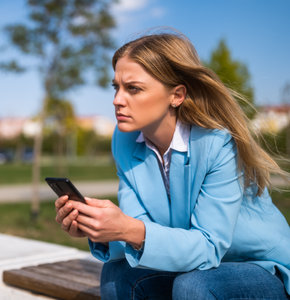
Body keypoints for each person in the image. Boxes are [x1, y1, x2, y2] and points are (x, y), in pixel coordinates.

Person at [55, 30, 290, 299]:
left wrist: (128, 228)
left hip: (260, 269)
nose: (117, 99)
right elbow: (140, 226)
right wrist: (101, 230)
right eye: (116, 87)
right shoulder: (125, 140)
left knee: (194, 286)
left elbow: (209, 246)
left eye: (133, 88)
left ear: (176, 95)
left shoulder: (219, 143)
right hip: (189, 266)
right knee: (116, 275)